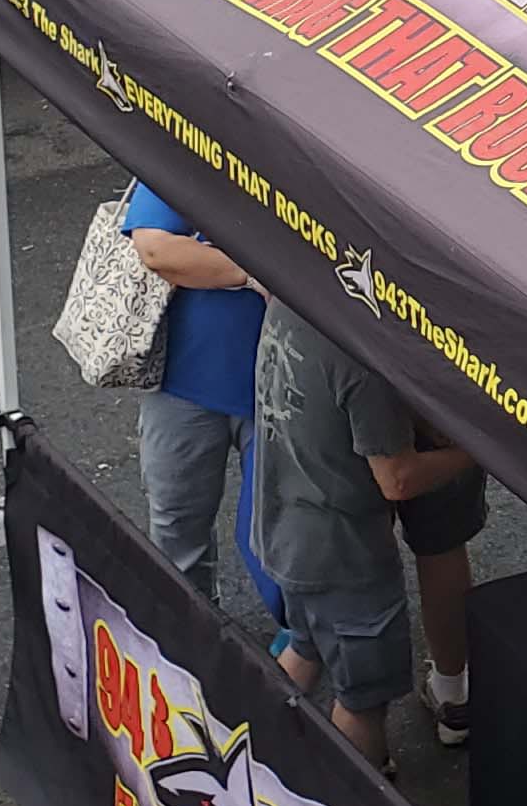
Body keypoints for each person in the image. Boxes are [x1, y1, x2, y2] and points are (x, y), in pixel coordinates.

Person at [250, 299, 482, 768]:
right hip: (345, 560)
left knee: (305, 645)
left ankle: (253, 757)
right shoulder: (366, 360)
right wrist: (481, 448)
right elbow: (398, 478)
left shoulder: (288, 303)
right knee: (360, 702)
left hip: (284, 531)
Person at [125, 183, 265, 610]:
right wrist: (260, 272)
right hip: (185, 383)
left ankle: (299, 639)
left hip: (285, 386)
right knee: (177, 532)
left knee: (284, 531)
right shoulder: (191, 137)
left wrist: (210, 265)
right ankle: (192, 638)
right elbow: (155, 249)